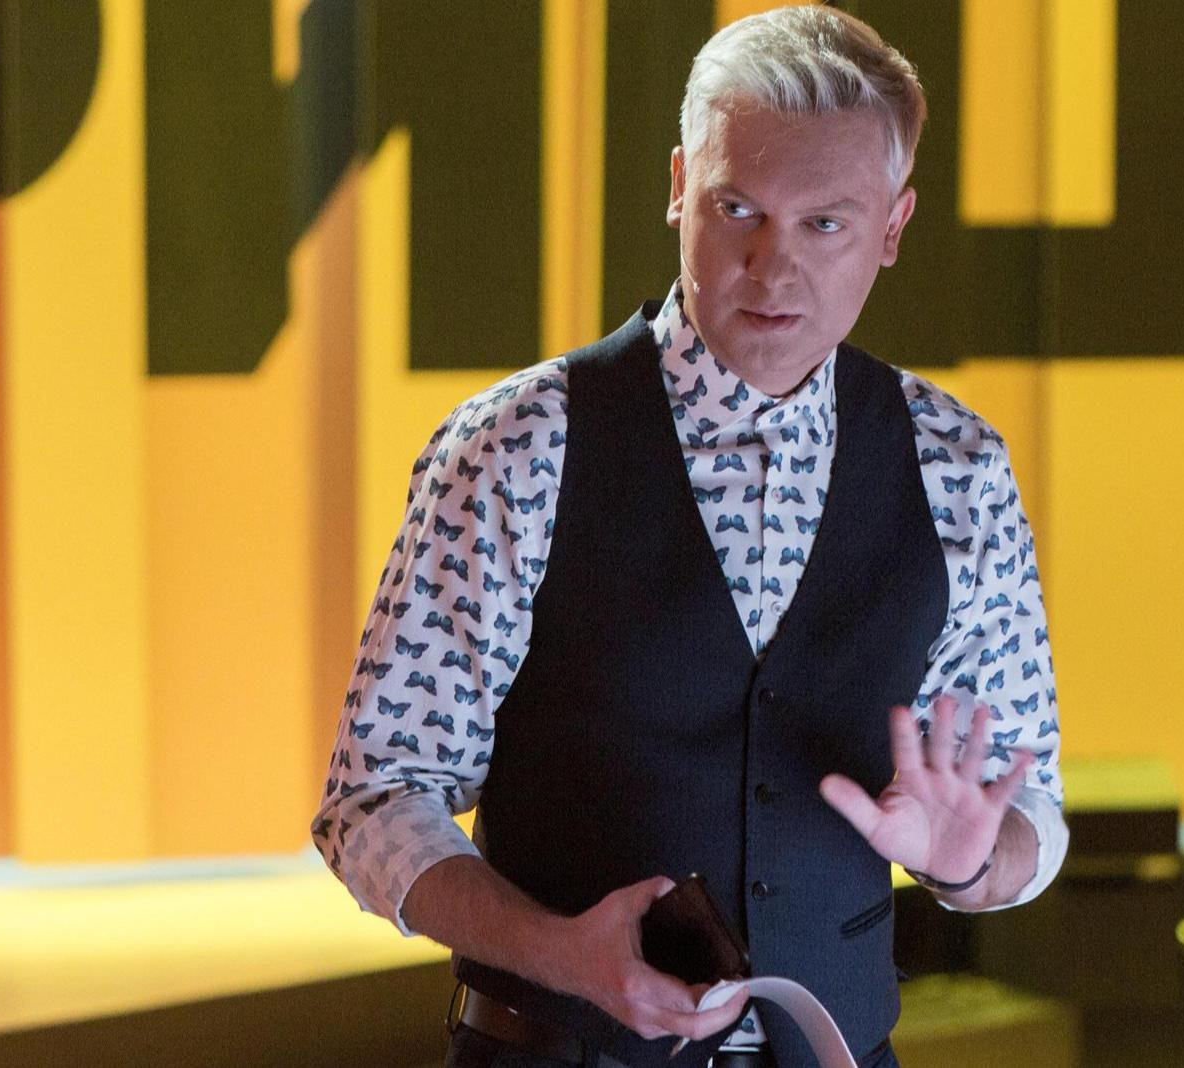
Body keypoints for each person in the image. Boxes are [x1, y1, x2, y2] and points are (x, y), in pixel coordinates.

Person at [311, 8, 1066, 1067]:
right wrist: (560, 955)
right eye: (736, 208)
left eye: (825, 224)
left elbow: (1029, 811)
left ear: (894, 229)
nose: (771, 264)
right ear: (678, 186)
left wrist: (972, 863)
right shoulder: (518, 447)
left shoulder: (959, 467)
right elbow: (376, 798)